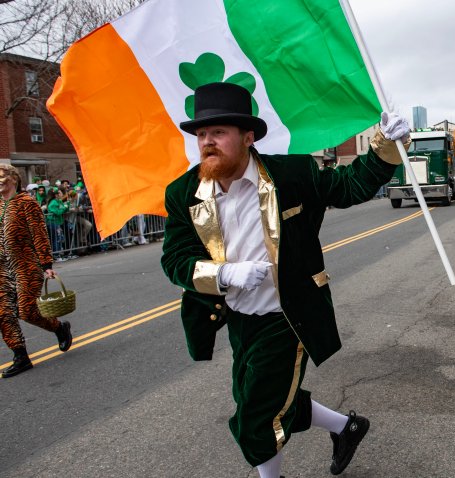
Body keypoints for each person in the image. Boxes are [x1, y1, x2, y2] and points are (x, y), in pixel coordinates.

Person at [160, 83, 410, 478]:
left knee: (255, 422)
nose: (207, 142)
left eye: (218, 133)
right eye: (202, 135)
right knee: (261, 399)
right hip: (240, 320)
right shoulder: (184, 194)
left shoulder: (290, 174)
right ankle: (348, 427)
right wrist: (223, 274)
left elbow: (350, 186)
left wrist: (385, 145)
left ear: (248, 137)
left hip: (286, 317)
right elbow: (174, 259)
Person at [0, 164, 72, 378]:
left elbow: (39, 234)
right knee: (3, 313)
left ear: (13, 178)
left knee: (27, 311)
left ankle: (59, 328)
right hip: (2, 268)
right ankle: (20, 356)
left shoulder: (26, 203)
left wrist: (47, 265)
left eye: (2, 176)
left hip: (25, 265)